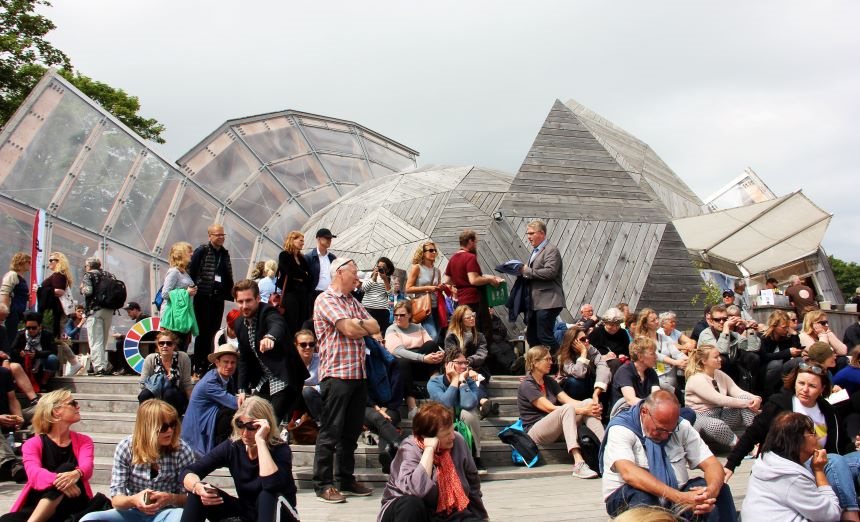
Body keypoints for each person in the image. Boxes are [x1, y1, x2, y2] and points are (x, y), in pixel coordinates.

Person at [723, 362, 860, 520]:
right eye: (801, 383)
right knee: (835, 460)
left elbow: (841, 445)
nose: (805, 389)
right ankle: (850, 514)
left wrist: (855, 446)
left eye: (812, 386)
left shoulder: (829, 411)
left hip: (823, 462)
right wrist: (731, 464)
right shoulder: (780, 404)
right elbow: (752, 434)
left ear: (822, 389)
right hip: (793, 466)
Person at [599, 390, 736, 520]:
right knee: (645, 500)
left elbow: (712, 464)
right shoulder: (621, 429)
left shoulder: (682, 426)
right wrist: (679, 497)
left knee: (718, 490)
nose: (665, 435)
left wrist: (710, 492)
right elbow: (629, 473)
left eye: (670, 431)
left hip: (676, 493)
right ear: (644, 412)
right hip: (629, 494)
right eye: (660, 429)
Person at [312, 257, 380, 503]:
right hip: (337, 375)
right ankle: (323, 483)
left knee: (350, 432)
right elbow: (351, 330)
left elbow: (375, 325)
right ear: (340, 273)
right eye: (354, 272)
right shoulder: (326, 300)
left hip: (357, 375)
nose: (358, 277)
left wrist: (358, 324)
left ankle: (345, 478)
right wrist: (359, 325)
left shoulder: (352, 300)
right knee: (331, 431)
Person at [181, 396, 298, 522]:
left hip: (281, 513)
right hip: (247, 513)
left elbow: (271, 485)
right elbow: (188, 471)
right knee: (199, 493)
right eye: (240, 425)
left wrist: (260, 441)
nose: (245, 433)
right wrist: (197, 487)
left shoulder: (280, 449)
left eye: (252, 427)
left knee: (267, 495)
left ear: (265, 426)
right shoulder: (233, 447)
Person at [80, 400, 194, 522]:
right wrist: (134, 500)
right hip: (132, 511)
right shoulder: (126, 447)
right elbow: (117, 499)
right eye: (163, 427)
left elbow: (189, 498)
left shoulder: (182, 450)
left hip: (167, 512)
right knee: (89, 518)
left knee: (183, 517)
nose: (170, 430)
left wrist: (170, 498)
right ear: (147, 427)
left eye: (173, 424)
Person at [378, 402, 488, 522]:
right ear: (428, 436)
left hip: (447, 511)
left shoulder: (458, 441)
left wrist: (482, 516)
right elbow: (417, 490)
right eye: (446, 434)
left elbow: (473, 485)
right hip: (407, 511)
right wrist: (429, 450)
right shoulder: (409, 448)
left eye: (452, 430)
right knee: (412, 504)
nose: (452, 436)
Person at [3, 390, 93, 522]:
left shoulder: (84, 441)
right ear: (56, 411)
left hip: (74, 501)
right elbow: (34, 475)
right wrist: (65, 481)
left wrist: (76, 473)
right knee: (6, 520)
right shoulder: (32, 444)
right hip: (38, 502)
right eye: (73, 403)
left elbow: (87, 467)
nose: (78, 406)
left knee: (67, 467)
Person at [518, 345, 604, 478]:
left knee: (587, 402)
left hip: (557, 428)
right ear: (534, 362)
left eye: (550, 359)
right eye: (547, 359)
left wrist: (591, 406)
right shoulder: (527, 385)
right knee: (568, 409)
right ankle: (579, 463)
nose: (551, 362)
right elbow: (549, 408)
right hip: (536, 430)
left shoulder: (549, 381)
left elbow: (569, 400)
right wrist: (582, 410)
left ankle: (607, 451)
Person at [741, 411, 842, 522]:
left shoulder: (767, 462)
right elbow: (831, 515)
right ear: (797, 440)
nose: (818, 437)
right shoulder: (791, 477)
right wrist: (819, 471)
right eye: (813, 433)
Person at [233, 279, 308, 424]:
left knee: (269, 422)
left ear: (258, 298)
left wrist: (270, 337)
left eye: (248, 301)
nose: (244, 306)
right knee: (250, 418)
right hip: (264, 379)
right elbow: (244, 358)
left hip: (284, 375)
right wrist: (241, 388)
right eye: (240, 301)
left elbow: (277, 324)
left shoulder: (267, 311)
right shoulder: (239, 324)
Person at [684, 345, 760, 449]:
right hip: (701, 418)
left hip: (721, 413)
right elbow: (719, 399)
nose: (720, 359)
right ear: (704, 361)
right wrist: (748, 402)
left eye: (719, 356)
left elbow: (737, 391)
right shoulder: (696, 379)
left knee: (745, 400)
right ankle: (740, 446)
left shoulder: (719, 374)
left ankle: (756, 440)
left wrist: (755, 398)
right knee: (716, 425)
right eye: (716, 357)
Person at [428, 348, 485, 471]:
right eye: (459, 363)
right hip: (443, 423)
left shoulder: (469, 381)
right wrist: (454, 380)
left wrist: (463, 381)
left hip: (464, 421)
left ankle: (476, 457)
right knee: (445, 412)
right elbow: (445, 404)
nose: (464, 366)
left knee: (469, 413)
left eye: (466, 363)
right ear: (447, 364)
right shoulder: (434, 383)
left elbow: (469, 403)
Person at [384, 300, 443, 419]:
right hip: (405, 367)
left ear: (410, 315)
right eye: (396, 315)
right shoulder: (391, 329)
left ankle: (434, 387)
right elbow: (397, 351)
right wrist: (423, 358)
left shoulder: (418, 327)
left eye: (402, 315)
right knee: (401, 361)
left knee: (431, 345)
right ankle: (412, 406)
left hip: (422, 364)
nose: (398, 318)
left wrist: (442, 353)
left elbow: (430, 343)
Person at [188, 223, 234, 375]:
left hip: (217, 296)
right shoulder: (202, 251)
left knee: (214, 330)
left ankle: (209, 362)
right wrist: (196, 286)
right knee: (202, 331)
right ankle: (199, 363)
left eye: (223, 235)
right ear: (210, 236)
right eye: (218, 235)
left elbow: (227, 274)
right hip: (203, 296)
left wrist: (230, 291)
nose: (221, 238)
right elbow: (192, 270)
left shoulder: (224, 253)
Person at [443, 230, 503, 342]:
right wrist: (490, 279)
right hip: (475, 299)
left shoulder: (453, 259)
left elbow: (447, 280)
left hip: (462, 300)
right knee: (483, 330)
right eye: (475, 242)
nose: (475, 245)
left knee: (469, 330)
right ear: (470, 241)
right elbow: (474, 280)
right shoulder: (470, 257)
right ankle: (486, 356)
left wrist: (460, 283)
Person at [181, 344, 239, 457]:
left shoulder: (228, 378)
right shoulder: (210, 381)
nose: (229, 366)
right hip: (199, 427)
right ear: (217, 362)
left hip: (210, 419)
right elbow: (234, 403)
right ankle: (221, 453)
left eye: (233, 363)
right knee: (230, 413)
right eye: (225, 362)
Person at [519, 220, 564, 352]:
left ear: (542, 233)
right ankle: (539, 365)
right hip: (536, 303)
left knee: (545, 336)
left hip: (549, 301)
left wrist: (527, 271)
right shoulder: (536, 251)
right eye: (527, 233)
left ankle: (563, 363)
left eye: (531, 233)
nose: (528, 237)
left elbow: (550, 272)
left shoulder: (551, 250)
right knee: (532, 337)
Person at [444, 305, 496, 417]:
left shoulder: (479, 336)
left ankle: (483, 405)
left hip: (477, 367)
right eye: (468, 317)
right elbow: (452, 356)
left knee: (477, 377)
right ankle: (483, 402)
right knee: (470, 378)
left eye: (473, 316)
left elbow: (481, 354)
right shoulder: (452, 336)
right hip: (455, 368)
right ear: (460, 320)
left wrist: (469, 366)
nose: (472, 319)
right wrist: (467, 369)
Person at [138, 330, 193, 416]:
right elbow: (142, 384)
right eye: (161, 343)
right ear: (157, 345)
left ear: (174, 345)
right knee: (144, 394)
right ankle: (146, 420)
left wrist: (192, 406)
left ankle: (169, 421)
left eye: (169, 343)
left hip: (176, 397)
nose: (165, 346)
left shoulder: (183, 358)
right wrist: (157, 383)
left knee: (169, 393)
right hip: (156, 397)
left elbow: (187, 384)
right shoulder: (150, 359)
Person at [634, 309, 687, 392]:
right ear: (645, 324)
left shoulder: (664, 338)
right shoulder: (641, 340)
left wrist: (686, 360)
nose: (657, 321)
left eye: (657, 318)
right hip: (652, 373)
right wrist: (675, 362)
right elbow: (655, 355)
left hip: (669, 373)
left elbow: (676, 353)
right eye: (653, 320)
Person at [160, 242, 198, 352]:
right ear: (182, 254)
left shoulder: (184, 272)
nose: (192, 254)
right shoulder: (173, 272)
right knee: (176, 348)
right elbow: (165, 294)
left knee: (182, 348)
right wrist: (186, 292)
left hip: (182, 317)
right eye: (189, 252)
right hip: (173, 318)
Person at [557, 326, 611, 404]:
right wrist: (583, 353)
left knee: (605, 379)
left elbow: (603, 367)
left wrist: (597, 391)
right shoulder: (563, 356)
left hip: (588, 386)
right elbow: (579, 373)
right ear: (573, 342)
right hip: (572, 390)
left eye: (586, 337)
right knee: (575, 382)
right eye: (583, 339)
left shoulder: (591, 350)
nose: (587, 340)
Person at [80, 256, 113, 376]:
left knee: (95, 340)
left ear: (89, 266)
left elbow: (88, 291)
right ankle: (104, 364)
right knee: (103, 340)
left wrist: (82, 288)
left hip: (95, 310)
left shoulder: (88, 275)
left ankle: (99, 368)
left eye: (85, 266)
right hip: (109, 310)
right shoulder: (108, 275)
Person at [405, 241, 444, 340]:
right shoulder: (417, 268)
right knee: (433, 336)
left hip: (437, 306)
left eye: (435, 250)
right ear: (422, 252)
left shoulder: (437, 271)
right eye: (431, 250)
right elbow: (408, 288)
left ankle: (429, 354)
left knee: (438, 336)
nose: (434, 252)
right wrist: (427, 288)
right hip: (424, 307)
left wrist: (441, 288)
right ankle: (423, 355)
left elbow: (438, 287)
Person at [9, 312, 59, 388]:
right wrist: (20, 352)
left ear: (40, 326)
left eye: (34, 328)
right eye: (28, 328)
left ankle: (44, 382)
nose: (31, 330)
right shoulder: (21, 334)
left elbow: (53, 351)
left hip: (42, 363)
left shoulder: (47, 335)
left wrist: (37, 354)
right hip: (25, 362)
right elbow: (12, 349)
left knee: (52, 358)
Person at [611, 337, 661, 410]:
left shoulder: (651, 372)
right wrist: (653, 407)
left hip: (646, 411)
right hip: (625, 413)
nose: (656, 357)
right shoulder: (624, 372)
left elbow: (657, 396)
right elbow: (631, 400)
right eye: (652, 354)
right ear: (640, 357)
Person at [760, 309, 802, 395]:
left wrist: (794, 334)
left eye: (788, 327)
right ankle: (767, 393)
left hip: (783, 367)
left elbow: (796, 350)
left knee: (799, 361)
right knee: (776, 364)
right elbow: (764, 357)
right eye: (784, 327)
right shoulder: (764, 338)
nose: (786, 329)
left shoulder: (786, 337)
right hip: (767, 370)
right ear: (774, 326)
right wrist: (787, 352)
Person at [278, 230, 312, 335]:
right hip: (290, 295)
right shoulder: (284, 255)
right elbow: (291, 271)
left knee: (301, 323)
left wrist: (302, 276)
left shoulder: (302, 258)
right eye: (300, 240)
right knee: (291, 322)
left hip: (302, 295)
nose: (303, 243)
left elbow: (309, 276)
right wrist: (303, 275)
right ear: (293, 240)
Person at [35, 252, 73, 338]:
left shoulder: (58, 275)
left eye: (51, 260)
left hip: (54, 312)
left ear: (59, 262)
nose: (49, 262)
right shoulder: (61, 275)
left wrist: (40, 289)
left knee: (52, 336)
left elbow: (60, 291)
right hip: (56, 311)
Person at [0, 366, 25, 483]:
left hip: (7, 416)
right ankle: (11, 463)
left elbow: (12, 399)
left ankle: (37, 451)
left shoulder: (3, 372)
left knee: (44, 409)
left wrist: (19, 417)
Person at [588, 307, 632, 374]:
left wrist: (623, 355)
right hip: (600, 364)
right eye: (611, 325)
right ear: (605, 323)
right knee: (615, 363)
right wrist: (604, 356)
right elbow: (589, 352)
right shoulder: (596, 332)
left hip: (621, 362)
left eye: (617, 325)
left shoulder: (623, 333)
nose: (614, 328)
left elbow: (627, 351)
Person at [1, 253, 31, 345]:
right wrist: (5, 310)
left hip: (18, 312)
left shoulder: (21, 278)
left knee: (13, 337)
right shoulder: (12, 275)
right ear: (21, 263)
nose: (30, 264)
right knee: (9, 338)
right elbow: (5, 292)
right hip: (11, 312)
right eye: (28, 262)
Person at [291, 330, 321, 422]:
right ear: (296, 345)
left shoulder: (322, 360)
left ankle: (322, 424)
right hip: (296, 402)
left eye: (311, 344)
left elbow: (327, 386)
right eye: (303, 344)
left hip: (316, 400)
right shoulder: (289, 362)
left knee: (307, 392)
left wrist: (309, 388)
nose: (308, 347)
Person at [362, 257, 395, 336]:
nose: (380, 269)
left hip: (382, 311)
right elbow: (364, 288)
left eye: (383, 268)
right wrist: (374, 277)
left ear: (388, 270)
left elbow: (390, 296)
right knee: (366, 334)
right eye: (379, 267)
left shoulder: (389, 279)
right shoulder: (369, 275)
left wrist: (385, 280)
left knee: (380, 335)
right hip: (367, 310)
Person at [304, 228, 337, 308]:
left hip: (330, 295)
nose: (329, 240)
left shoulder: (332, 258)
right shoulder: (309, 257)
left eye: (330, 238)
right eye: (327, 238)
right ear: (318, 238)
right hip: (314, 295)